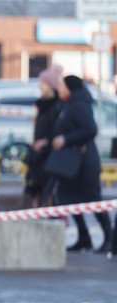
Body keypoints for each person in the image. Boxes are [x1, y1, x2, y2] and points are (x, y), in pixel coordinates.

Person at [50, 75, 111, 252]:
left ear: (69, 87)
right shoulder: (67, 104)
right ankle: (84, 237)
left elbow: (90, 129)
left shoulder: (79, 105)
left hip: (84, 163)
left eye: (61, 85)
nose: (59, 88)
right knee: (69, 199)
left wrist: (66, 139)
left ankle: (108, 237)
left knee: (92, 199)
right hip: (70, 162)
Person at [24, 65, 63, 208]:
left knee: (48, 193)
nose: (40, 86)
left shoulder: (56, 107)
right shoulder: (41, 105)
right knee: (37, 191)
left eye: (43, 83)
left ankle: (51, 218)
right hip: (38, 156)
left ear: (50, 86)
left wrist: (45, 142)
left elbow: (57, 131)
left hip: (48, 157)